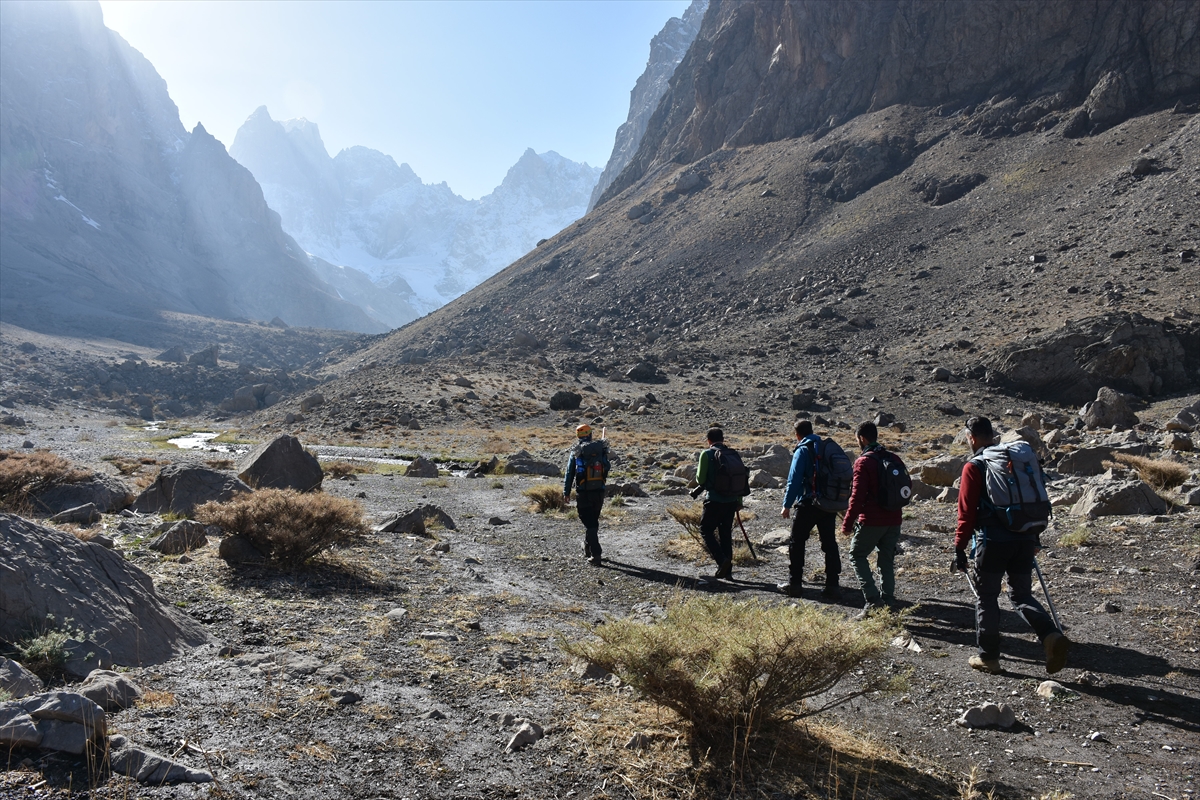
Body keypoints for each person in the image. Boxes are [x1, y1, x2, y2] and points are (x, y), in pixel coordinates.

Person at [953, 416, 1069, 674]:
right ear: (991, 435)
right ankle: (1050, 635)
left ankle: (989, 657)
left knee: (987, 598)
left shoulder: (975, 467)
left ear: (971, 438)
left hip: (992, 542)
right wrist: (1033, 538)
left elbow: (966, 513)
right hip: (1025, 537)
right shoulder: (1014, 461)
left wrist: (959, 548)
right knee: (1021, 594)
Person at [841, 421, 902, 614]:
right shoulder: (893, 457)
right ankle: (889, 602)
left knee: (857, 555)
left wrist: (847, 523)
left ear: (862, 438)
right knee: (886, 560)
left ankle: (873, 600)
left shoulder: (863, 462)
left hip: (871, 520)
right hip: (894, 519)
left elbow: (857, 497)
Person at [777, 420, 842, 598]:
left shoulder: (803, 449)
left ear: (797, 435)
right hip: (828, 504)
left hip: (808, 503)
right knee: (829, 544)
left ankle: (795, 584)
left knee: (797, 542)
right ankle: (833, 586)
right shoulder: (824, 447)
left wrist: (787, 505)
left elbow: (794, 480)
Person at [693, 427, 743, 579]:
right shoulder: (733, 454)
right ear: (723, 439)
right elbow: (740, 478)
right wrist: (739, 501)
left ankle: (722, 561)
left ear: (708, 440)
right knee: (725, 533)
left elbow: (700, 479)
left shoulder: (706, 454)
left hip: (714, 500)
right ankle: (728, 572)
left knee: (706, 530)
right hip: (732, 501)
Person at [563, 424, 609, 566]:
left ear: (578, 436)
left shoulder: (577, 451)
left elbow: (570, 473)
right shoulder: (601, 448)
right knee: (592, 522)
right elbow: (607, 467)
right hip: (599, 492)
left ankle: (596, 555)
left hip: (583, 493)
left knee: (589, 523)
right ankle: (587, 548)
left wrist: (566, 492)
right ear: (590, 434)